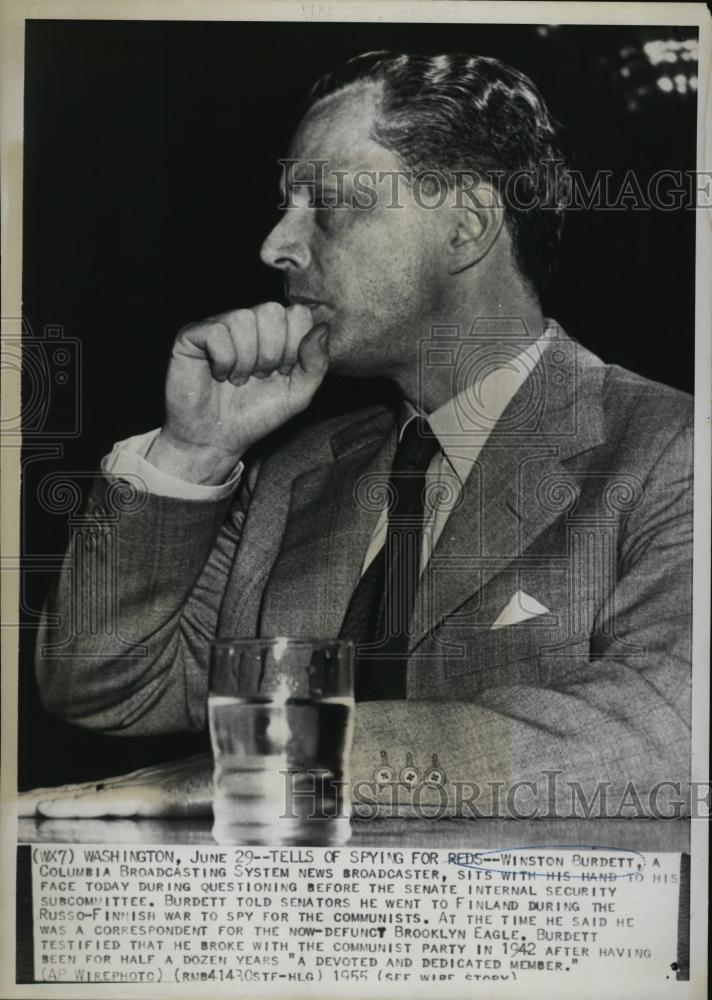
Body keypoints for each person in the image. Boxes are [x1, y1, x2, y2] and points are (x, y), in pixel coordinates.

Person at [26, 52, 692, 819]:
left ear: (467, 223)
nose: (276, 246)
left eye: (326, 202)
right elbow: (101, 687)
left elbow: (669, 725)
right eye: (285, 206)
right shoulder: (298, 476)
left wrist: (277, 766)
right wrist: (193, 452)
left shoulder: (671, 449)